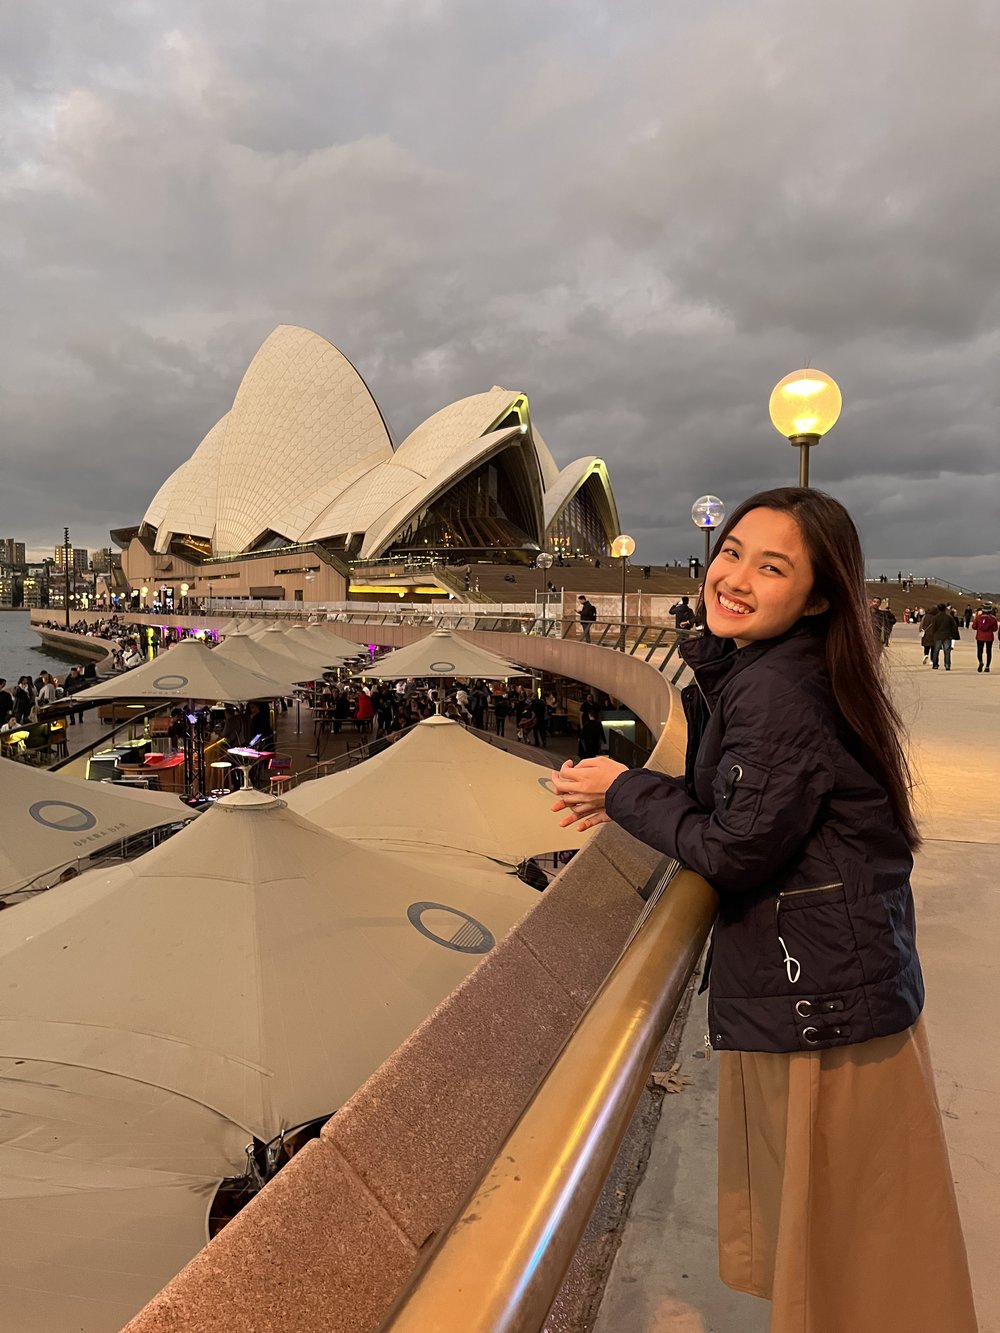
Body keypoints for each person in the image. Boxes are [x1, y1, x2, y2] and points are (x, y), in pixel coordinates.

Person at [549, 487, 976, 1332]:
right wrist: (644, 790)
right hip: (838, 984)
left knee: (849, 1255)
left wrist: (626, 788)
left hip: (825, 1006)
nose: (735, 577)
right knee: (859, 1245)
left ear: (817, 598)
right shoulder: (776, 668)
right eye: (733, 551)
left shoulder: (778, 689)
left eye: (771, 566)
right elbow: (749, 806)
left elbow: (736, 847)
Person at [928, 602, 961, 671]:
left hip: (938, 636)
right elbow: (954, 626)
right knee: (947, 651)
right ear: (945, 609)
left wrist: (934, 634)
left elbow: (933, 628)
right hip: (947, 635)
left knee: (936, 651)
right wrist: (953, 634)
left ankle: (935, 664)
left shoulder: (935, 618)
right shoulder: (949, 617)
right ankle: (947, 665)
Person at [972, 604, 998, 673]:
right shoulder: (993, 618)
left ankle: (980, 661)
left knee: (980, 651)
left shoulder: (978, 618)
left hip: (980, 636)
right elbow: (995, 629)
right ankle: (987, 667)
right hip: (989, 637)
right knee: (988, 651)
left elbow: (974, 627)